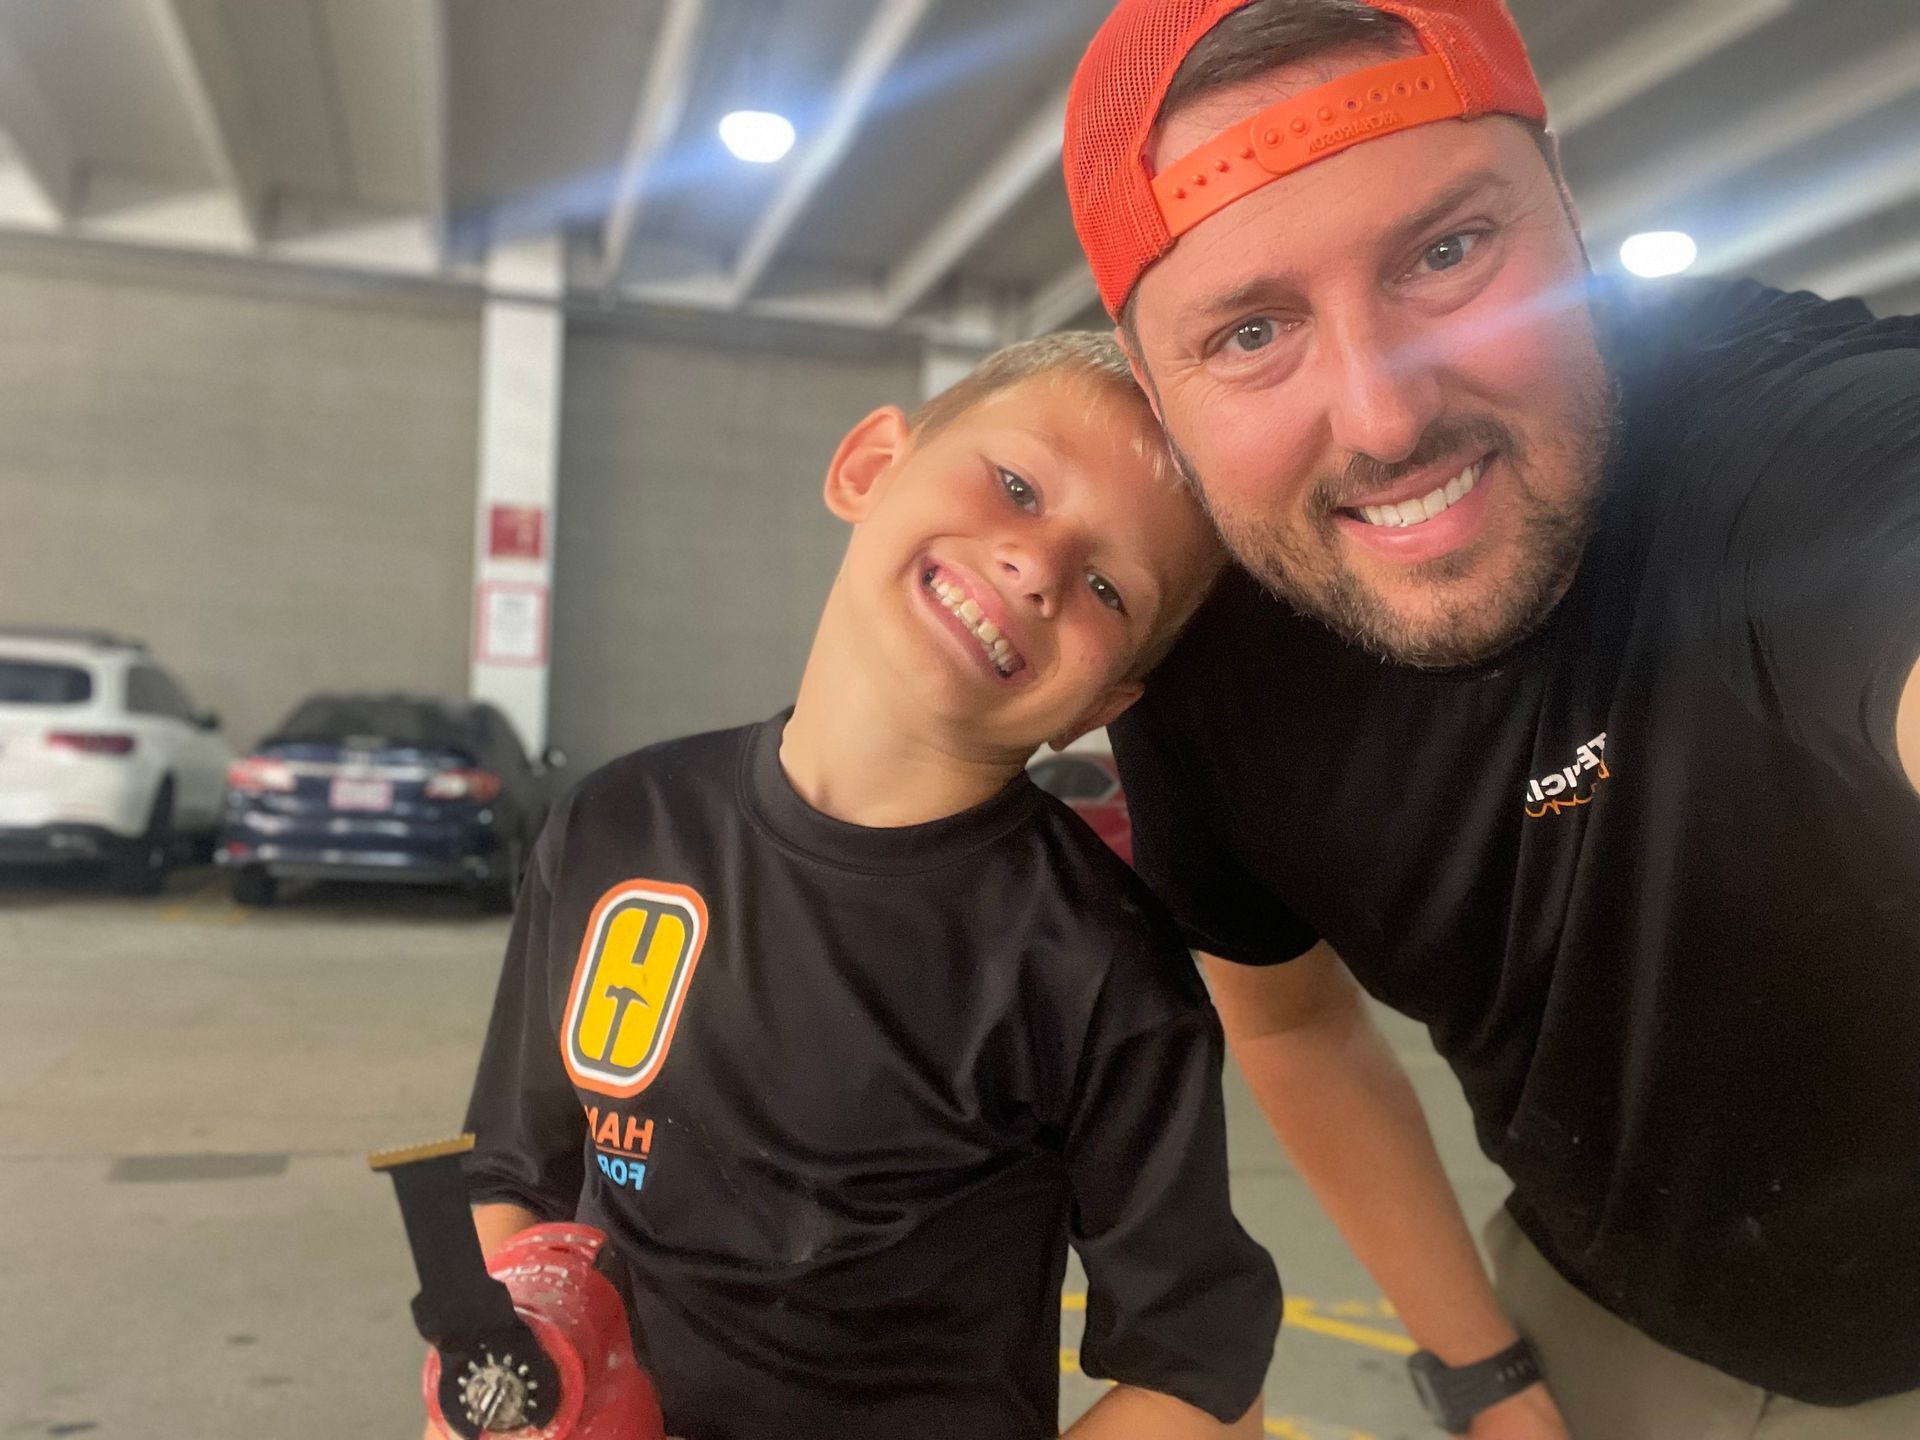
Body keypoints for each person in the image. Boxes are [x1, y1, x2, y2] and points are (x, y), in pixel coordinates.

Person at [1061, 1, 1920, 1436]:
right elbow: (1284, 1020)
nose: (1385, 417)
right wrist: (1478, 1365)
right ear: (1157, 395)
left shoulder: (1770, 426)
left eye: (1448, 251)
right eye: (1254, 331)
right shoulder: (1203, 670)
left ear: (1569, 222)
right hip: (1601, 1323)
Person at [446, 332, 1280, 1440]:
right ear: (869, 466)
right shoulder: (616, 825)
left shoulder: (1097, 964)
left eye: (1107, 587)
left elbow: (1202, 1368)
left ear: (1102, 706)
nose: (1037, 566)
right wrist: (510, 1395)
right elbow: (521, 1176)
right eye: (1019, 484)